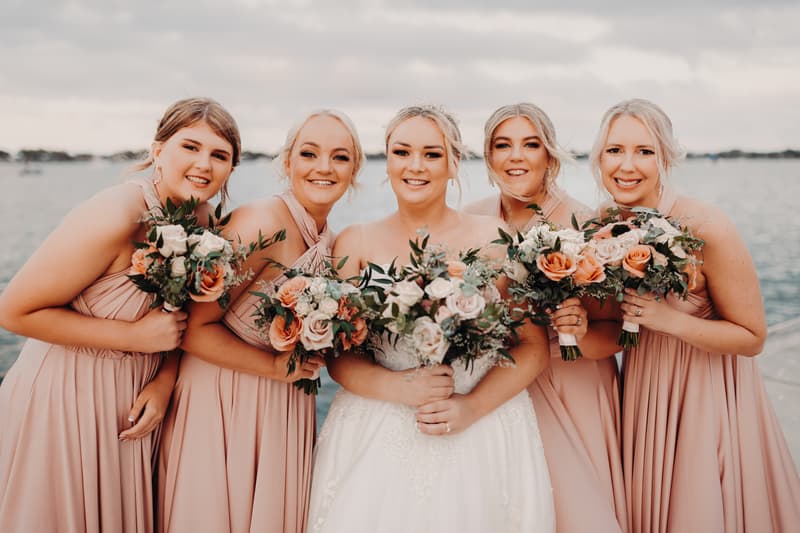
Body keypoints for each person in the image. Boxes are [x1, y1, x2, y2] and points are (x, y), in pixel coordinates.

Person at [306, 105, 555, 532]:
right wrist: (398, 386)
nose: (415, 166)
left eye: (432, 154)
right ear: (388, 161)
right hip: (377, 422)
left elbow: (532, 348)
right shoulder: (356, 242)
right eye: (402, 152)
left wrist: (470, 407)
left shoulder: (494, 241)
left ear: (455, 163)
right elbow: (339, 357)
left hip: (480, 425)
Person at [0, 97, 239, 532]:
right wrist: (136, 339)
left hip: (133, 403)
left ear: (230, 170)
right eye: (190, 146)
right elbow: (15, 312)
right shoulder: (115, 215)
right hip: (64, 395)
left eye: (219, 155)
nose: (204, 164)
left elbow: (180, 323)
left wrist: (165, 380)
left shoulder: (205, 226)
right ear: (157, 150)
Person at [591, 98, 800, 533]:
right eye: (615, 150)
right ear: (598, 157)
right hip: (644, 392)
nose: (627, 165)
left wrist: (669, 320)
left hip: (704, 393)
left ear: (666, 156)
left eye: (644, 151)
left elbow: (753, 336)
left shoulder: (706, 226)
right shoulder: (602, 227)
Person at [157, 110, 364, 533]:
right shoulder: (260, 222)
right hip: (224, 396)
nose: (324, 167)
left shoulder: (331, 237)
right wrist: (274, 367)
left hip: (284, 400)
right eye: (309, 153)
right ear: (287, 162)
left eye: (340, 157)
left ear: (354, 169)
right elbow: (193, 330)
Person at [465, 103, 626, 533]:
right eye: (504, 145)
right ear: (489, 156)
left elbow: (620, 335)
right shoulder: (470, 220)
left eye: (530, 144)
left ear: (549, 156)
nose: (516, 156)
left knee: (576, 512)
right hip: (500, 385)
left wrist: (582, 329)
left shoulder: (586, 223)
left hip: (572, 385)